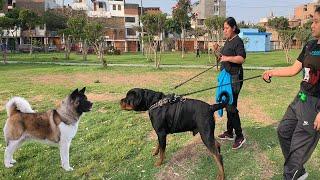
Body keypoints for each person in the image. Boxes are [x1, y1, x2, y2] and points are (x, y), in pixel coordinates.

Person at [262, 7, 320, 180]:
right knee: (284, 131)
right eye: (313, 21)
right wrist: (272, 72)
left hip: (315, 104)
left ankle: (293, 171)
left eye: (316, 21)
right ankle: (298, 171)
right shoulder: (310, 45)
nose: (312, 25)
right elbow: (294, 69)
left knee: (295, 155)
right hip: (301, 98)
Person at [217, 17, 247, 150]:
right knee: (227, 104)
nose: (225, 30)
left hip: (235, 78)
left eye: (227, 28)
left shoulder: (238, 41)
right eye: (224, 28)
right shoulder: (228, 41)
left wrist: (227, 58)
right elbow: (223, 58)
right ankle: (229, 132)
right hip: (226, 77)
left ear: (233, 28)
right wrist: (217, 51)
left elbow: (241, 58)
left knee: (230, 106)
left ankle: (239, 136)